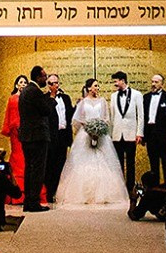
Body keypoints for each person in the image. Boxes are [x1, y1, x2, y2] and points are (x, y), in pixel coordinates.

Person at [55, 78, 129, 206]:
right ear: (89, 88)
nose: (97, 88)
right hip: (85, 134)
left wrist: (100, 128)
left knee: (104, 162)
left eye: (98, 86)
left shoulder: (103, 101)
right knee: (83, 162)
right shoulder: (83, 102)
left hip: (101, 136)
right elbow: (77, 119)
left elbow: (106, 118)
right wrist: (89, 129)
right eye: (95, 86)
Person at [16, 64, 54, 214]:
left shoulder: (26, 92)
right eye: (44, 76)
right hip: (37, 136)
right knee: (37, 170)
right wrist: (51, 97)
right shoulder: (35, 91)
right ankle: (33, 202)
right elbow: (45, 111)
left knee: (29, 170)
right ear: (38, 77)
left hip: (27, 136)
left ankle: (28, 201)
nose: (46, 79)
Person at [1, 74, 38, 205]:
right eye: (21, 82)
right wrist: (17, 127)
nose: (23, 84)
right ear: (16, 84)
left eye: (25, 82)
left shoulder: (27, 98)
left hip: (27, 131)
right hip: (16, 132)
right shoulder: (13, 99)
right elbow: (12, 116)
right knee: (18, 155)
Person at [110, 71, 146, 188]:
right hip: (117, 134)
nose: (114, 84)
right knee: (118, 163)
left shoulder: (137, 94)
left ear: (122, 80)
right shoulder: (113, 96)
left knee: (130, 162)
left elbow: (140, 115)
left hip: (130, 134)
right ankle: (119, 187)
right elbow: (112, 116)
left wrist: (139, 133)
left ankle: (130, 187)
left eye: (116, 81)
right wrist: (111, 135)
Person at [143, 72, 166, 186]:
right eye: (152, 81)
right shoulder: (146, 97)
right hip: (150, 135)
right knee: (153, 165)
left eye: (156, 82)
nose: (153, 84)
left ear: (162, 84)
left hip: (164, 136)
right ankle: (155, 190)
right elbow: (143, 117)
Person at [43, 72, 74, 202]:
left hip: (63, 135)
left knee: (61, 164)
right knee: (50, 165)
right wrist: (51, 97)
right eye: (51, 83)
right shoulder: (45, 99)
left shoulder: (66, 98)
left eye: (56, 82)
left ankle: (60, 192)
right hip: (51, 136)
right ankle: (50, 192)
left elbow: (70, 114)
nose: (54, 85)